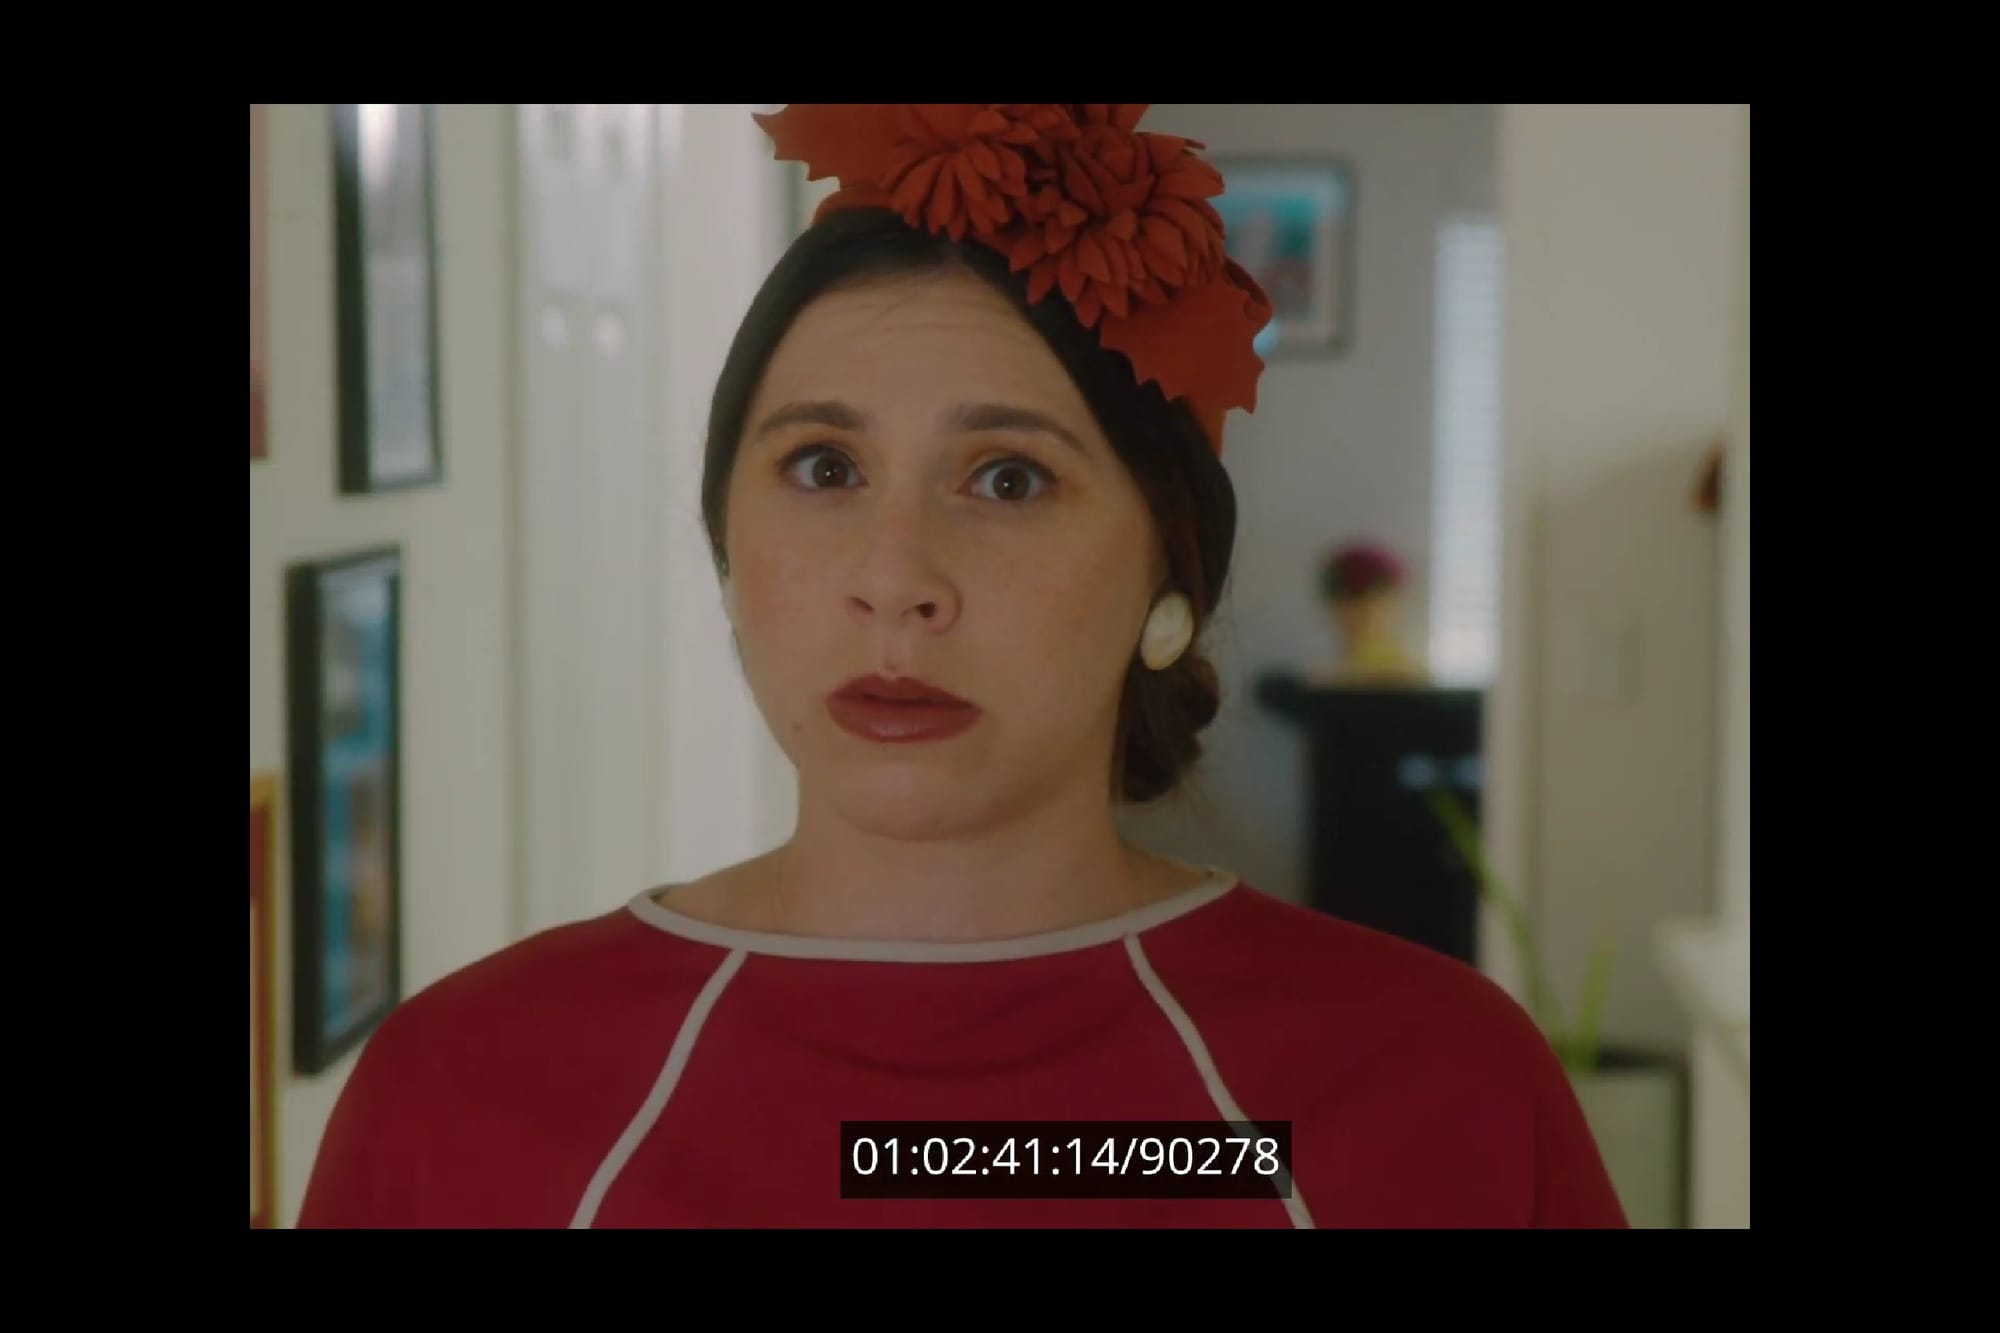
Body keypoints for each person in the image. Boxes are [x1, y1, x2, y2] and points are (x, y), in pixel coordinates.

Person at [297, 104, 1627, 1229]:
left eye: (1008, 476)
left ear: (1170, 570)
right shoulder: (460, 1094)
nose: (896, 574)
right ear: (727, 539)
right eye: (824, 467)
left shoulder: (1440, 1090)